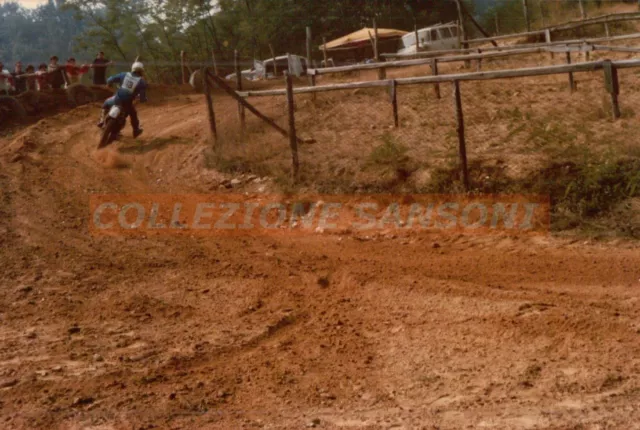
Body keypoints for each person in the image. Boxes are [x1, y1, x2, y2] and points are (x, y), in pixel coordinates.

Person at [98, 61, 147, 138]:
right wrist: (143, 100)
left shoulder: (124, 74)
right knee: (133, 114)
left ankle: (101, 121)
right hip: (127, 104)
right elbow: (142, 98)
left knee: (106, 103)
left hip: (117, 99)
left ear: (133, 69)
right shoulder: (142, 82)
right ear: (141, 71)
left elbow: (110, 79)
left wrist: (109, 84)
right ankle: (136, 130)